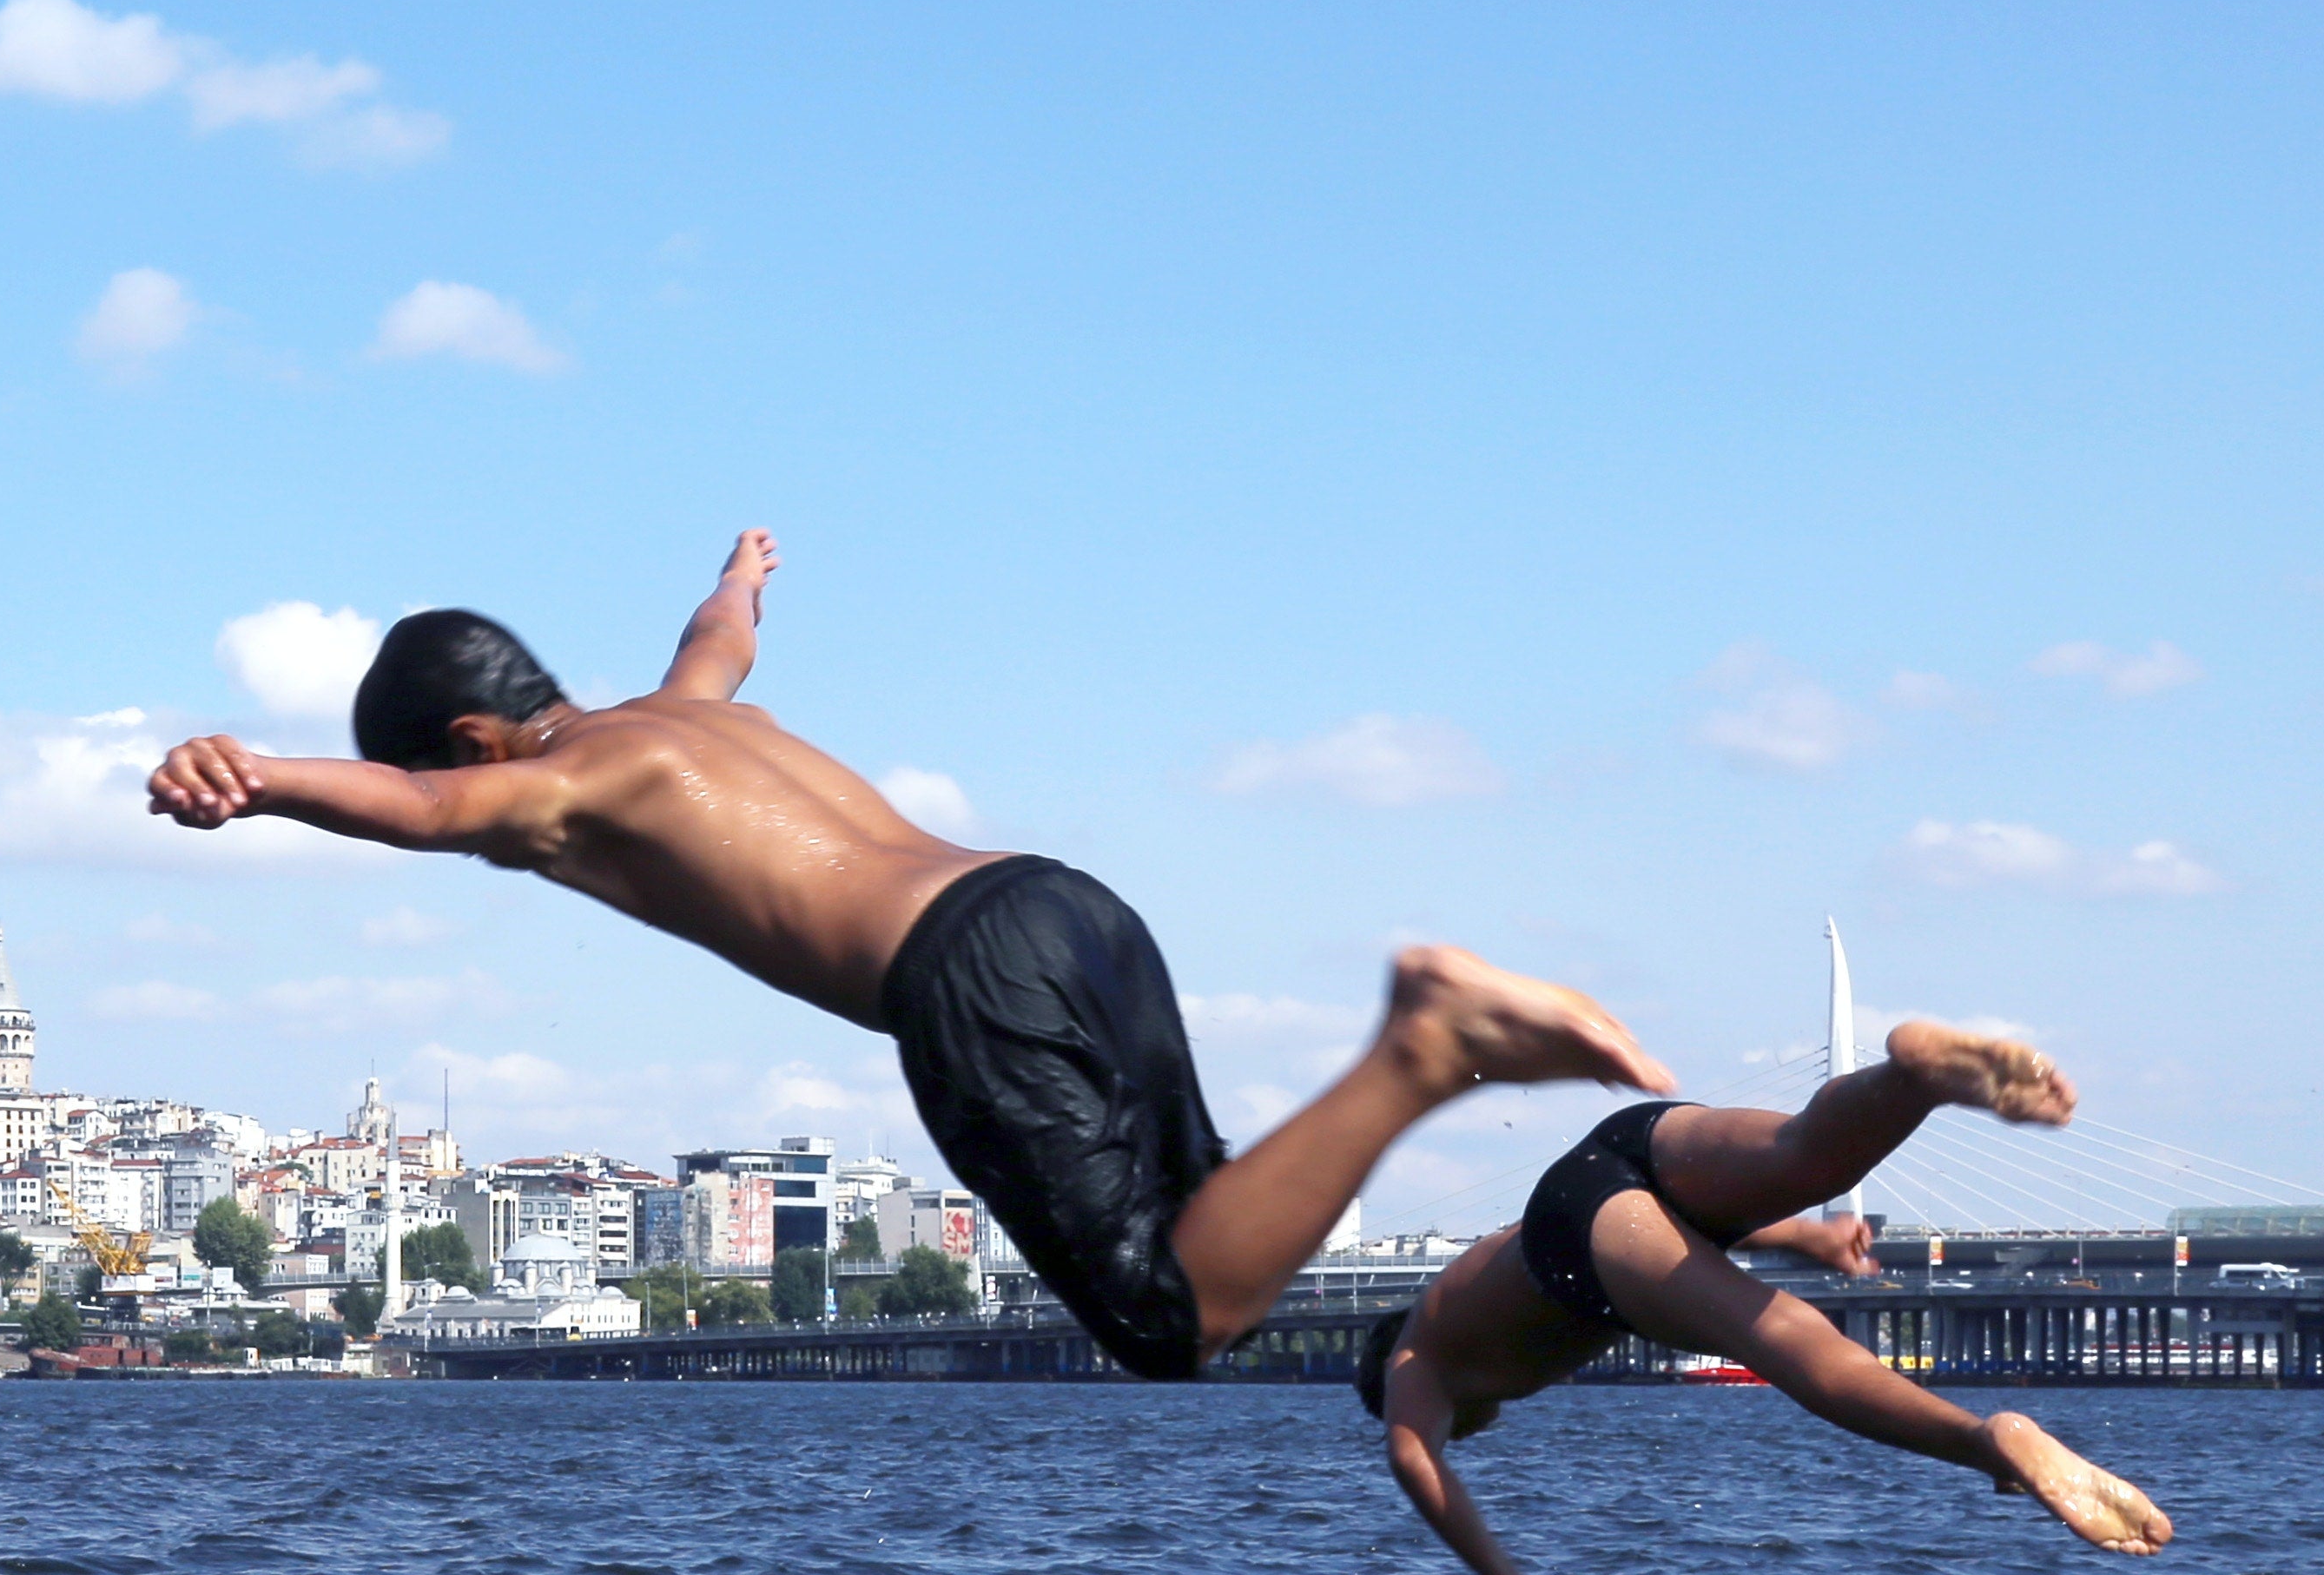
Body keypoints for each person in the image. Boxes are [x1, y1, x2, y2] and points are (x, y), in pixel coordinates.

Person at [141, 530, 1670, 1380]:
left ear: (482, 738)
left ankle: (1418, 1044)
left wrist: (255, 774)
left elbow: (417, 805)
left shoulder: (553, 784)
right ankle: (1516, 1226)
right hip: (1064, 901)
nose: (494, 831)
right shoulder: (696, 706)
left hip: (958, 977)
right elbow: (721, 631)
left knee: (1169, 1320)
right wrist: (744, 567)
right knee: (1223, 1252)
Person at [1354, 1027, 2175, 1575]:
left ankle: (1987, 1441)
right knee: (1804, 1153)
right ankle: (1915, 1077)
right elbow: (1641, 1220)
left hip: (1574, 1242)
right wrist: (1803, 1240)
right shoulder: (1456, 1287)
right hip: (1623, 1146)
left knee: (1788, 1343)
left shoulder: (1415, 1364)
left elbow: (1413, 1464)